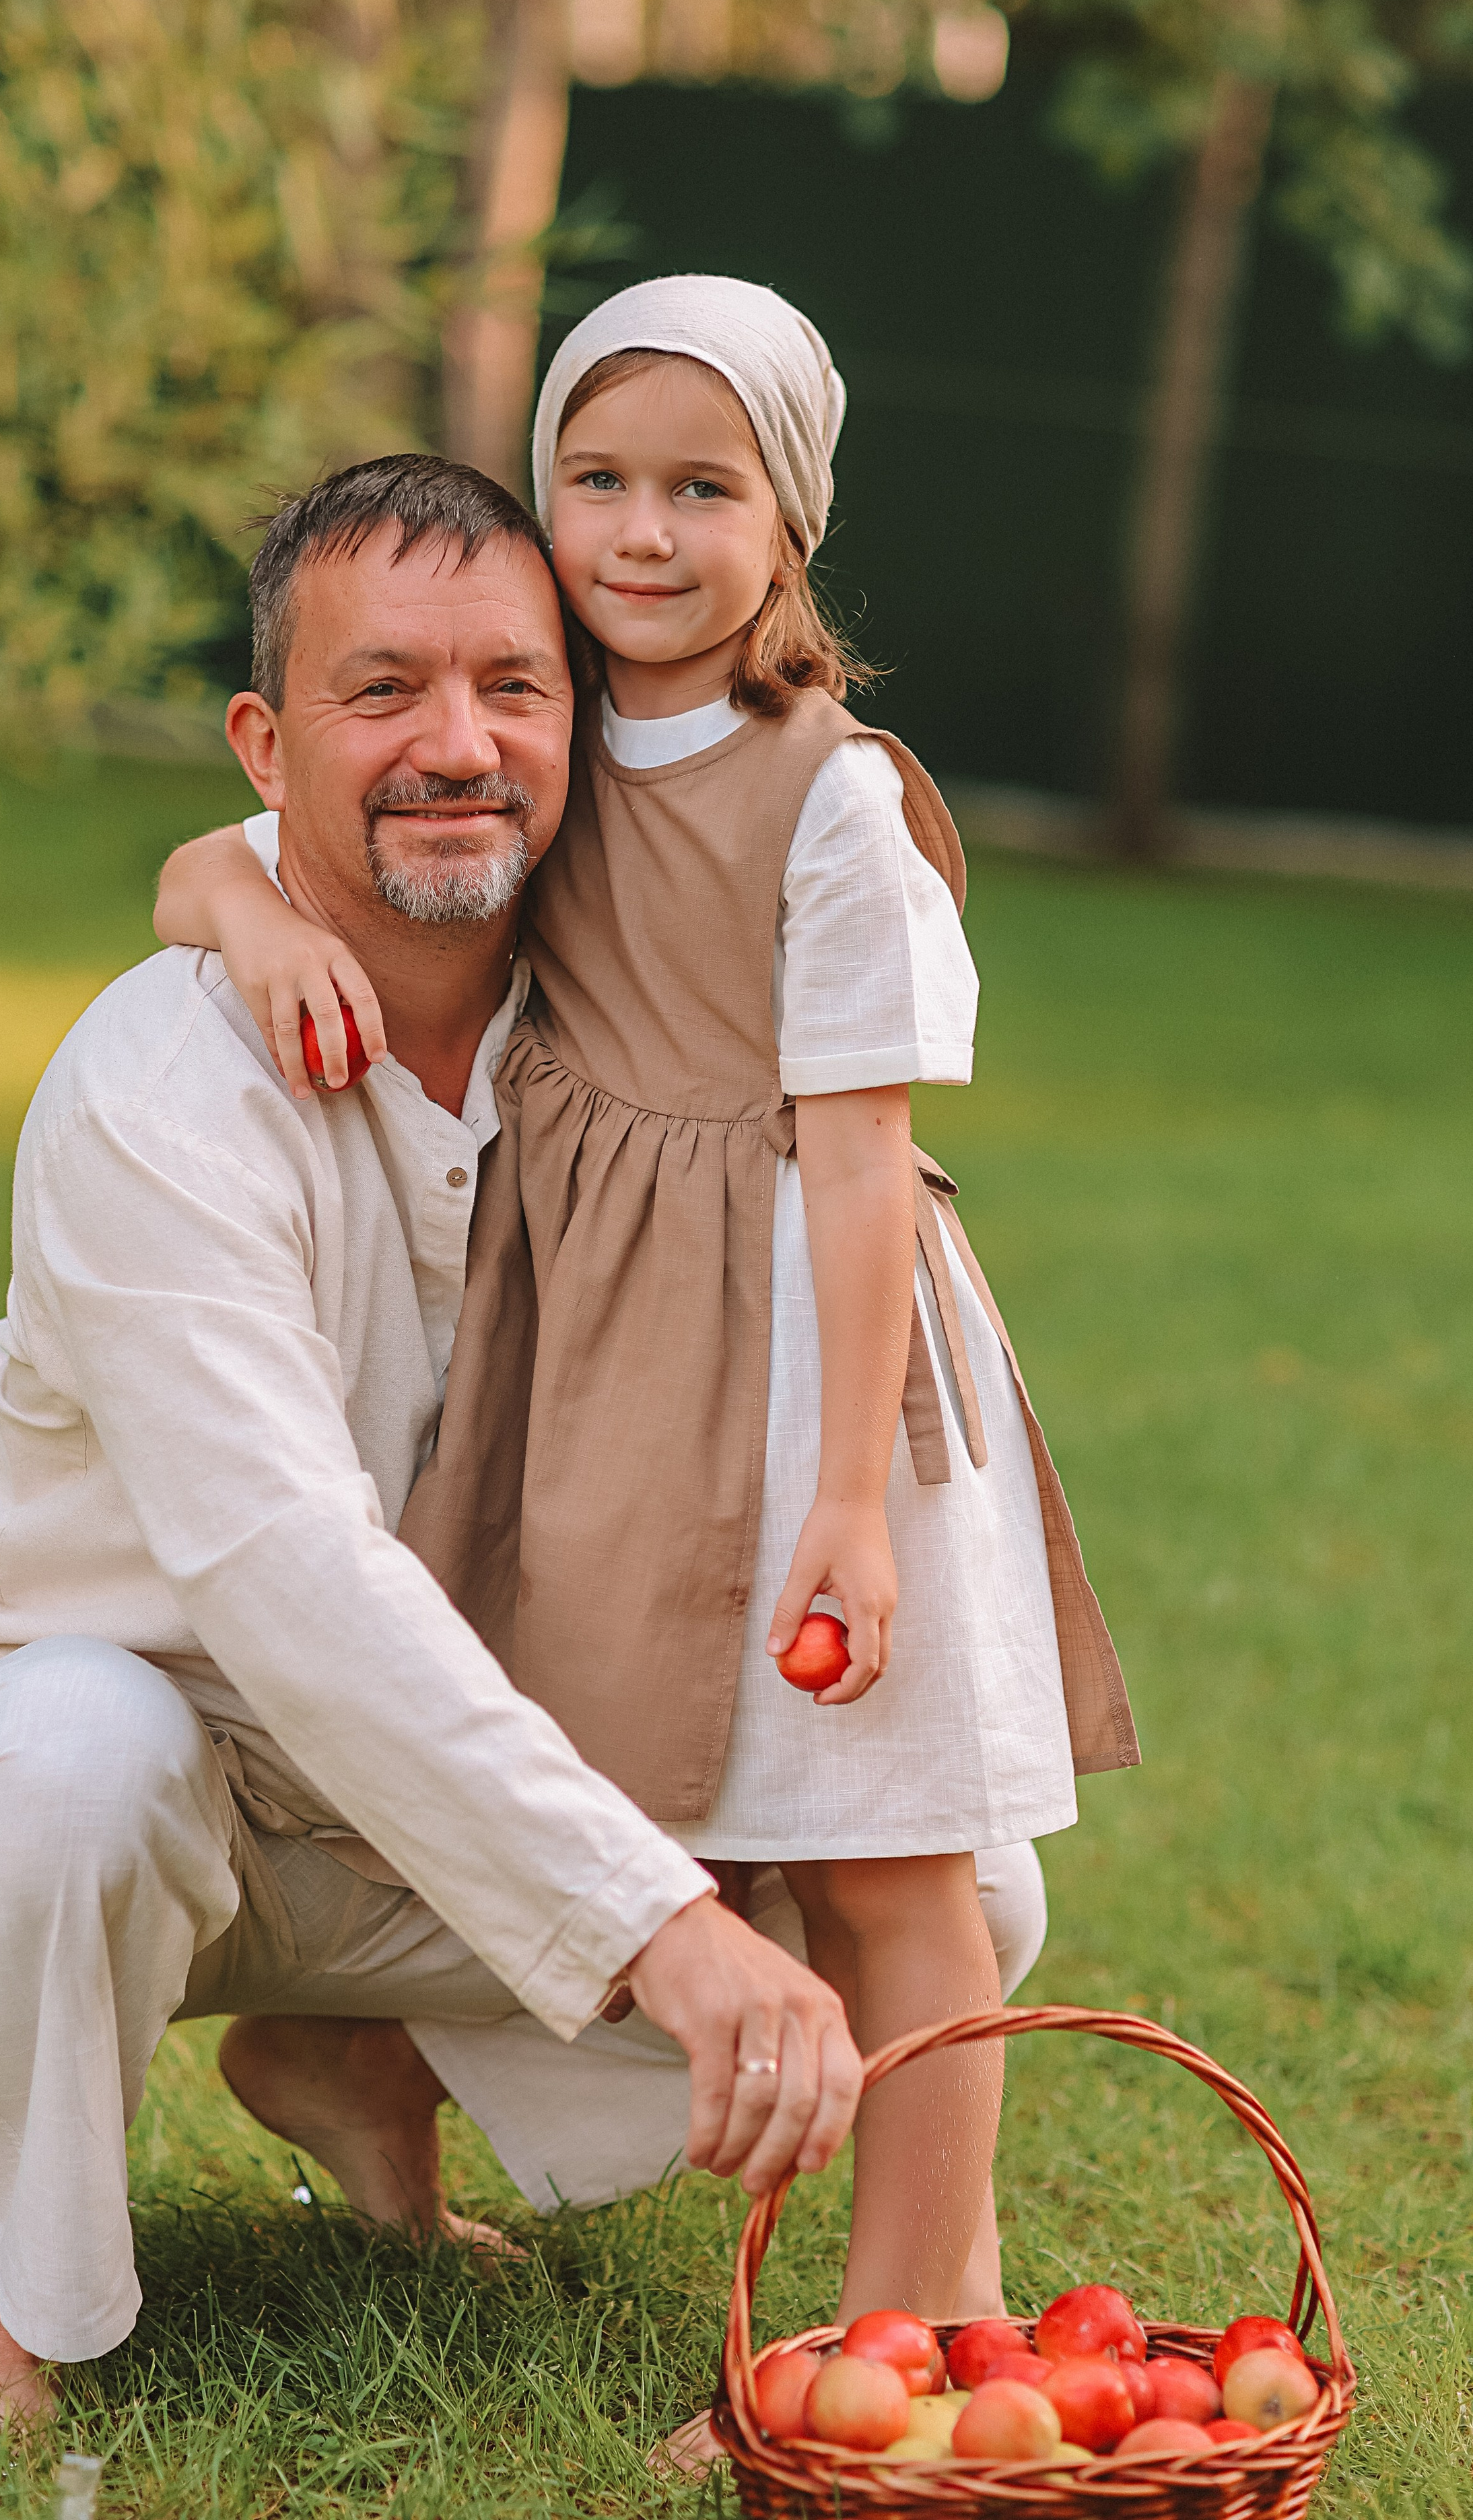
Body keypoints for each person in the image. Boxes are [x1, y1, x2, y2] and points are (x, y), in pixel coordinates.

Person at [153, 272, 1140, 2411]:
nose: (642, 532)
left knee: (892, 1869)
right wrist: (242, 913)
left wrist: (858, 1508)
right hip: (603, 1369)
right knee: (604, 1796)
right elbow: (213, 853)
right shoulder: (539, 727)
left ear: (790, 521)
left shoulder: (834, 797)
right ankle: (352, 2048)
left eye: (706, 487)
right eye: (596, 477)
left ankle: (885, 2343)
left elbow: (865, 1163)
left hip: (806, 1370)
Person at [0, 454, 868, 2431]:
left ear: (584, 721)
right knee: (79, 1763)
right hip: (148, 1747)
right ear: (264, 738)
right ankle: (24, 2303)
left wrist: (730, 1881)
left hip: (440, 1788)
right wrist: (659, 1935)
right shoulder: (160, 1083)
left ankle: (356, 2070)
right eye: (381, 689)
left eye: (514, 686)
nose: (457, 744)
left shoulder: (631, 1027)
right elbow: (279, 1571)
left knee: (939, 1885)